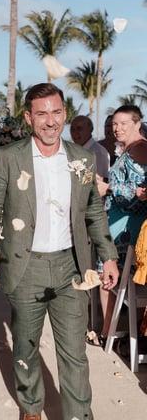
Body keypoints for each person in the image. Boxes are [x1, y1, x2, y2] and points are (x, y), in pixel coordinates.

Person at [0, 83, 119, 420]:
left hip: (72, 268)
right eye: (42, 114)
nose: (50, 121)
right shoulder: (8, 157)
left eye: (56, 112)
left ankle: (79, 415)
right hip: (26, 268)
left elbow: (93, 211)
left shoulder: (83, 158)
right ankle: (32, 409)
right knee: (25, 348)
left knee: (75, 354)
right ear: (28, 118)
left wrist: (107, 255)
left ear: (64, 114)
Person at [91, 105, 147, 347]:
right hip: (116, 224)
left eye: (123, 123)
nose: (117, 128)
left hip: (127, 228)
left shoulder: (141, 150)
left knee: (113, 279)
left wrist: (108, 187)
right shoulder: (128, 149)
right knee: (111, 278)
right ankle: (110, 331)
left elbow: (139, 199)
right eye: (114, 124)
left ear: (138, 124)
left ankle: (109, 333)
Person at [70, 115, 110, 180]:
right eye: (72, 129)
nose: (75, 132)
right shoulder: (73, 151)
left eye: (79, 128)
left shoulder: (98, 153)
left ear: (90, 129)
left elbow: (98, 182)